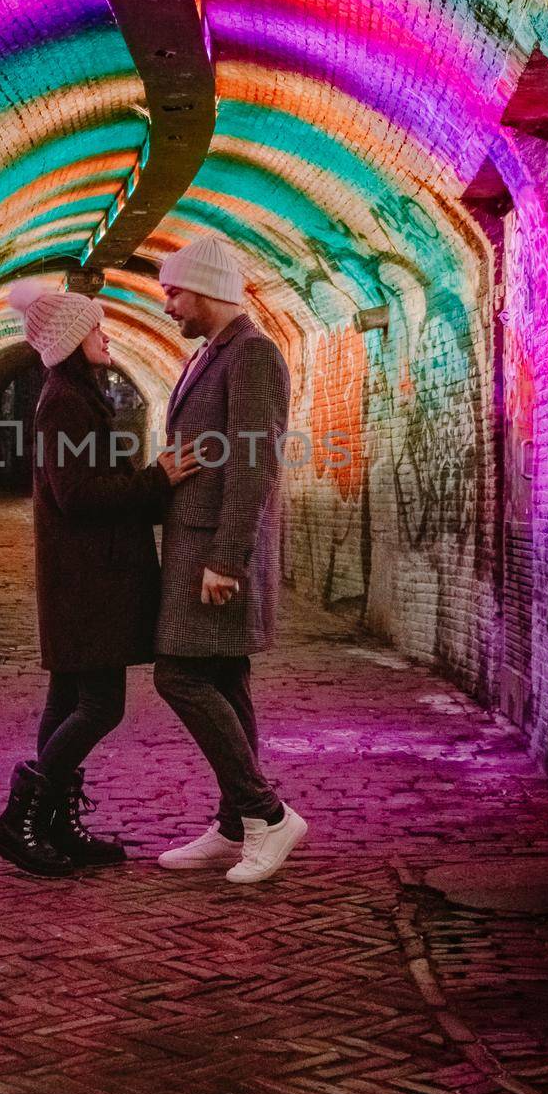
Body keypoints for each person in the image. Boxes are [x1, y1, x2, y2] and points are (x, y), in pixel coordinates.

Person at [0, 280, 199, 877]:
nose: (106, 336)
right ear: (73, 338)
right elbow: (76, 495)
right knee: (100, 705)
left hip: (83, 578)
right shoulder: (64, 401)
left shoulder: (78, 395)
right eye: (97, 327)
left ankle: (52, 824)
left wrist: (152, 488)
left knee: (68, 698)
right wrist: (156, 480)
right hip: (89, 583)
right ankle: (21, 820)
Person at [153, 234, 308, 885]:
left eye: (173, 292)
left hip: (215, 552)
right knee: (221, 678)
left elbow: (254, 463)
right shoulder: (206, 357)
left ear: (209, 288)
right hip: (195, 543)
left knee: (178, 676)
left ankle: (265, 815)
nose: (167, 306)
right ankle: (229, 825)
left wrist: (227, 559)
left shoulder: (252, 355)